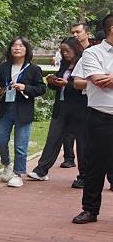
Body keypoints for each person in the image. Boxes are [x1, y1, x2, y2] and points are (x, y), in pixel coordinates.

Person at [71, 13, 113, 224]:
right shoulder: (92, 53)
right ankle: (90, 209)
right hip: (101, 117)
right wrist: (104, 79)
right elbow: (97, 80)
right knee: (95, 165)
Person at [27, 37, 87, 181]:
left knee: (82, 143)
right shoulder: (64, 65)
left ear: (75, 49)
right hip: (61, 107)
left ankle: (84, 175)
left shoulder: (84, 63)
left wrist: (67, 84)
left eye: (67, 51)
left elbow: (84, 87)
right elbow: (59, 85)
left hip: (79, 108)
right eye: (62, 51)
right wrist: (53, 82)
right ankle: (41, 170)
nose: (65, 54)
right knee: (53, 138)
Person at [0, 37, 45, 187]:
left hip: (23, 110)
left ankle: (18, 174)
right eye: (14, 45)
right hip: (5, 109)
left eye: (21, 46)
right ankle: (7, 164)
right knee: (1, 142)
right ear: (10, 49)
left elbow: (41, 88)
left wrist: (25, 87)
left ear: (26, 49)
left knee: (20, 145)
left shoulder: (33, 69)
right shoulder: (3, 67)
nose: (17, 48)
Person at [61, 22, 93, 168]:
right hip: (75, 104)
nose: (75, 35)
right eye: (72, 32)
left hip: (96, 104)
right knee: (79, 138)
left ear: (87, 33)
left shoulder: (94, 52)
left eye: (78, 32)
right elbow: (76, 82)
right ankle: (81, 171)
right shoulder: (75, 58)